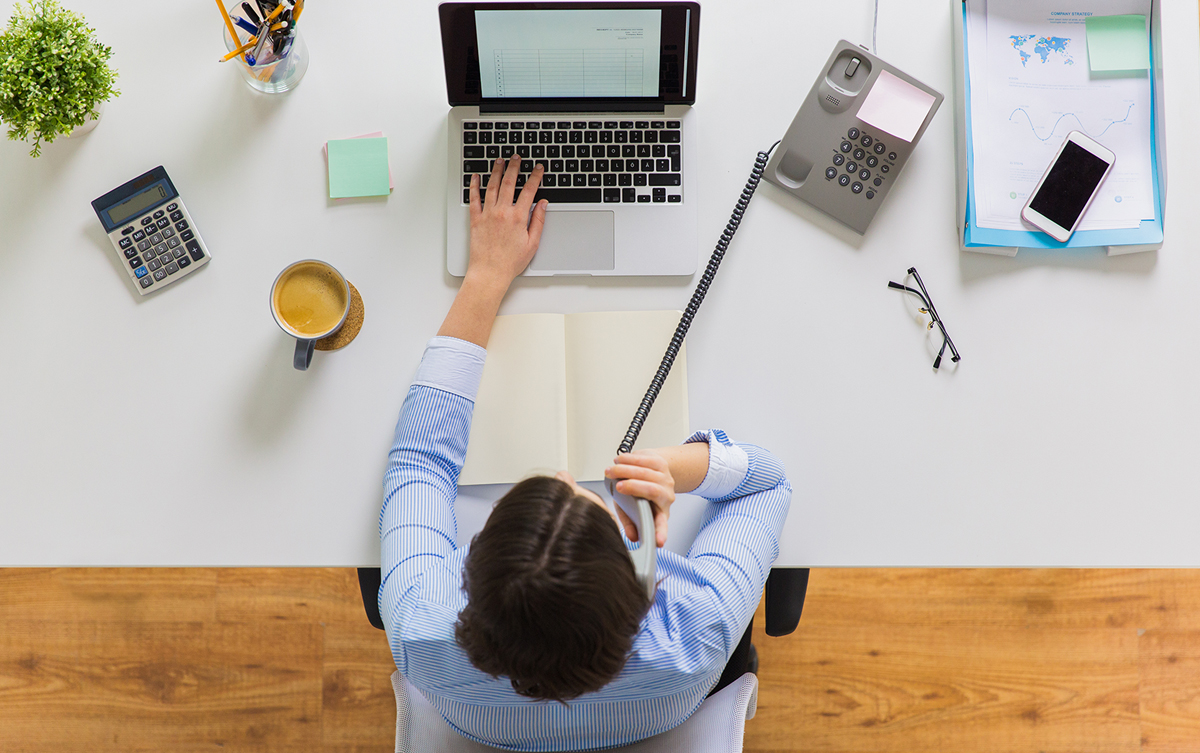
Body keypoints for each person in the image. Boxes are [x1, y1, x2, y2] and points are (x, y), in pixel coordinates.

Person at [379, 155, 791, 751]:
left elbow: (420, 457)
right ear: (643, 577)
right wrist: (678, 467)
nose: (571, 474)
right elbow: (768, 482)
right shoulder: (696, 634)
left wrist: (487, 275)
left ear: (468, 576)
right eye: (585, 495)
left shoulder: (421, 628)